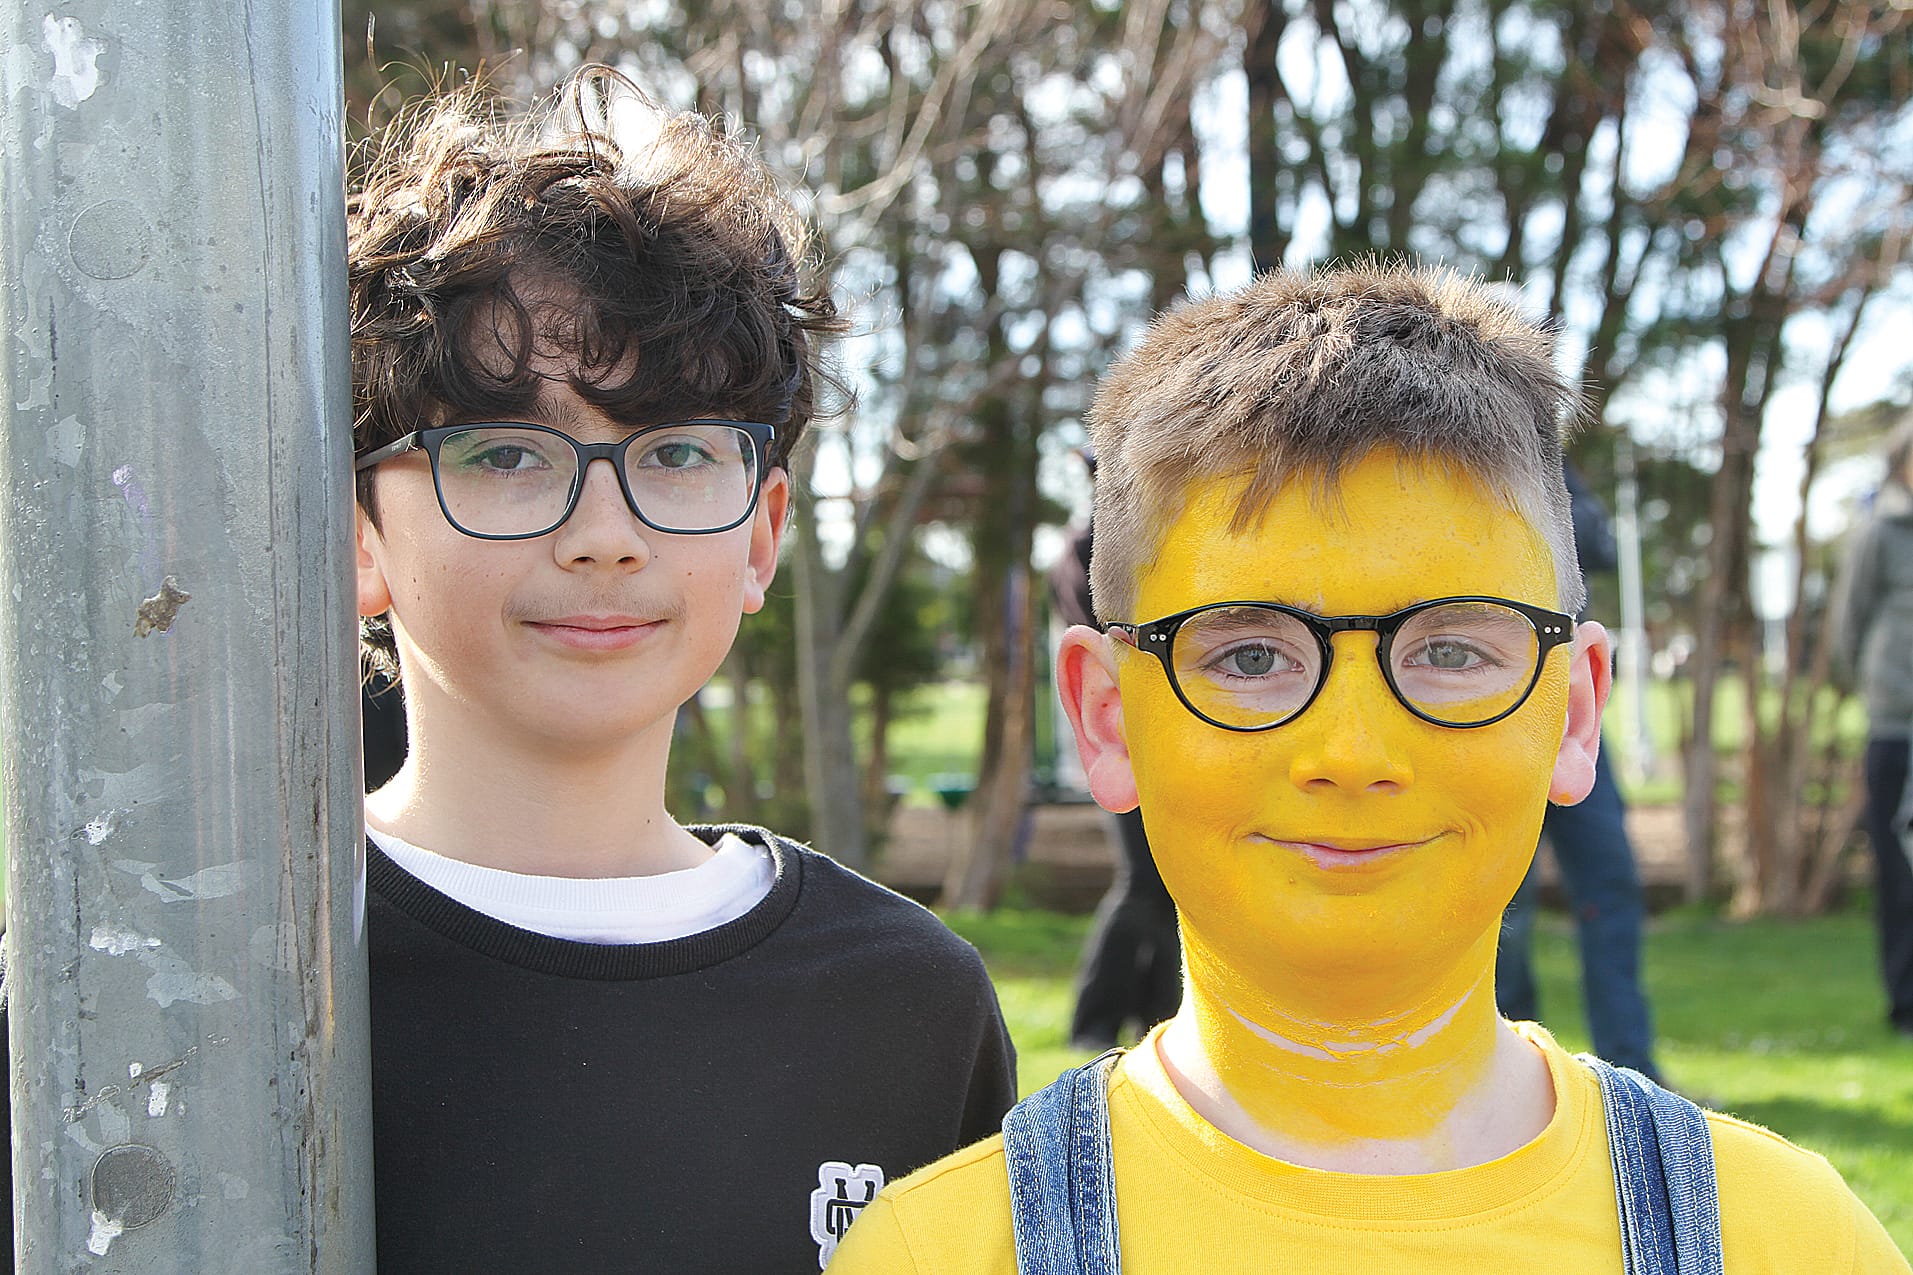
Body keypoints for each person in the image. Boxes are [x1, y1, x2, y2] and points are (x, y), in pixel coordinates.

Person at [827, 263, 1906, 1272]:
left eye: (1448, 651)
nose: (1350, 753)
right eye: (1247, 655)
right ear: (1106, 717)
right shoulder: (944, 1252)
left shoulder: (1791, 1240)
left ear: (1574, 711)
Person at [344, 68, 1016, 1272]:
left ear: (759, 537)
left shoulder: (906, 1006)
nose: (605, 531)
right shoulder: (206, 977)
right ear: (354, 536)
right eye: (504, 455)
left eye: (676, 456)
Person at [1496, 463, 1663, 1080]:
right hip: (1488, 720)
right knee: (1500, 902)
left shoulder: (1555, 468)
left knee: (1611, 883)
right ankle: (1504, 1061)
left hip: (1570, 715)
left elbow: (1600, 548)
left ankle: (1634, 1067)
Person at [1048, 453, 1182, 1051]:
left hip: (1166, 736)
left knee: (1171, 886)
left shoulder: (1118, 540)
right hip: (1127, 740)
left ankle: (1153, 1016)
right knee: (1142, 885)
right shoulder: (1088, 549)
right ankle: (1093, 1022)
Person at [1830, 415, 1913, 1038]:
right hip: (1896, 724)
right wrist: (1854, 681)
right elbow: (1850, 618)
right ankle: (1905, 1000)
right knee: (1899, 866)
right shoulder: (1880, 530)